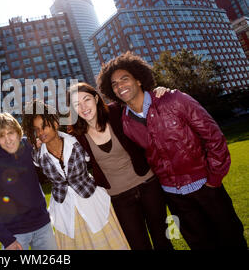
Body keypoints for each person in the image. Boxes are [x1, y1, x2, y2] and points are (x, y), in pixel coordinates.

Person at [97, 51, 247, 250]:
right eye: (114, 84)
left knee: (232, 240)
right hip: (174, 196)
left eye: (125, 79)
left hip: (206, 186)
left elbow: (214, 137)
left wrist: (213, 179)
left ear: (139, 80)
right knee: (199, 244)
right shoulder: (124, 121)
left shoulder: (174, 99)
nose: (120, 86)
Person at [67, 82, 173, 250]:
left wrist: (160, 93)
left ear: (96, 98)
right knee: (138, 246)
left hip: (148, 185)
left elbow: (140, 102)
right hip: (118, 198)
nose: (83, 107)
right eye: (76, 104)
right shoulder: (76, 136)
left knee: (163, 241)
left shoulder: (117, 112)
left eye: (86, 99)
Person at [22, 100, 130, 250]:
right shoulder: (37, 155)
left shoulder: (78, 142)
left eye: (44, 126)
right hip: (64, 210)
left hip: (92, 202)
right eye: (36, 129)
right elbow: (13, 147)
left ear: (55, 122)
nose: (40, 133)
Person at [0, 112, 57, 250]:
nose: (8, 140)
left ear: (18, 132)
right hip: (14, 234)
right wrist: (7, 240)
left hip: (42, 225)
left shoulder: (29, 146)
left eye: (11, 133)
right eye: (1, 136)